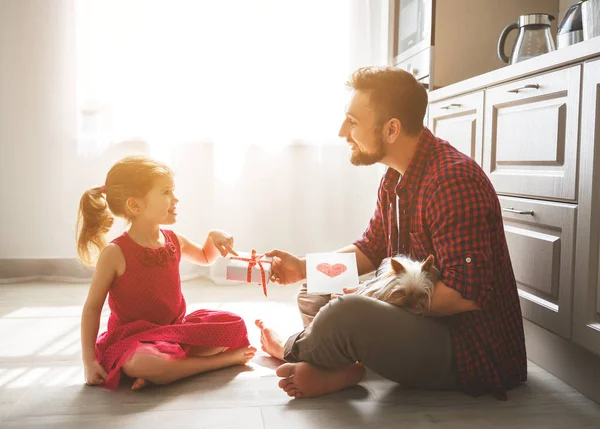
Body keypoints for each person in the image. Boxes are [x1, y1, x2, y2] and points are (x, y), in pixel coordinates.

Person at [255, 66, 526, 401]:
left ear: (392, 129)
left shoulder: (453, 181)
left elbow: (463, 294)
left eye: (352, 121)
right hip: (424, 329)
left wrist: (371, 298)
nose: (342, 131)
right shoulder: (395, 177)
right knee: (317, 286)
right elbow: (372, 248)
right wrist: (301, 266)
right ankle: (339, 367)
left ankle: (292, 347)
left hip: (468, 351)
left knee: (347, 313)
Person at [77, 155, 256, 391]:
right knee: (143, 361)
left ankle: (166, 371)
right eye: (166, 192)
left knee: (235, 325)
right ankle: (217, 362)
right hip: (137, 341)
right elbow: (92, 307)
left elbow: (205, 256)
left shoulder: (173, 239)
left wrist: (213, 236)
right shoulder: (115, 252)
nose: (175, 198)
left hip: (176, 332)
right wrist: (89, 361)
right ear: (135, 205)